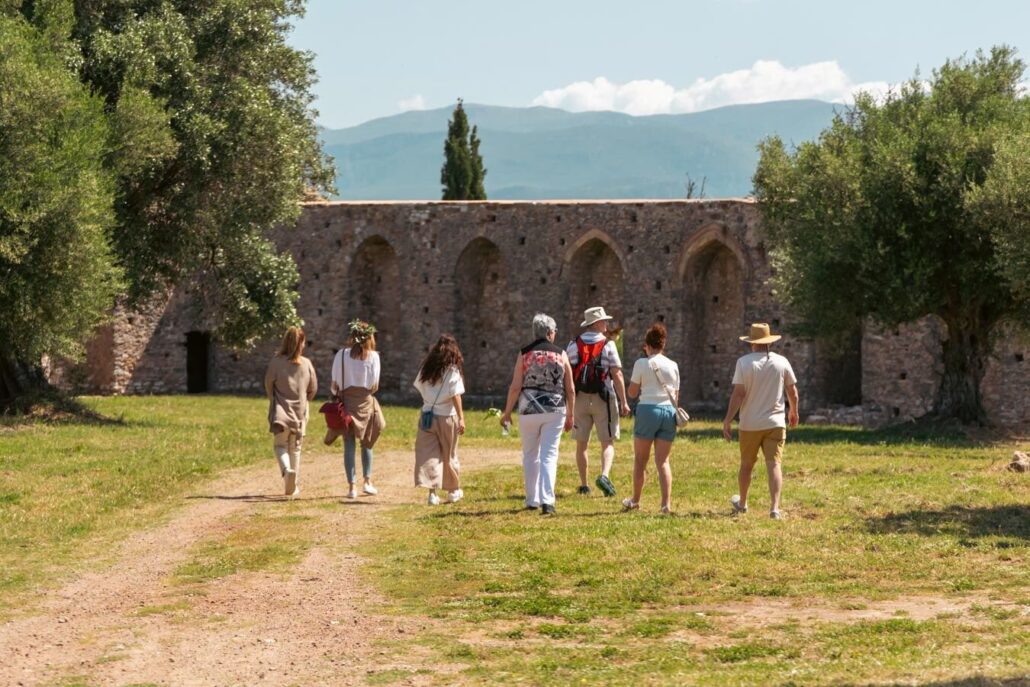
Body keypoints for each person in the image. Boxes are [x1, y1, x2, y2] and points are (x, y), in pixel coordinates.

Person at [722, 322, 799, 519]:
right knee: (774, 464)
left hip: (750, 424)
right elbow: (793, 391)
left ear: (752, 343)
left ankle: (743, 503)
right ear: (769, 342)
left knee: (747, 465)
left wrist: (728, 419)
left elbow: (738, 394)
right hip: (775, 423)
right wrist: (794, 412)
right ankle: (774, 508)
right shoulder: (782, 362)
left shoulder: (744, 363)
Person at [501, 313, 575, 516]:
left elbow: (516, 386)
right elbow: (570, 388)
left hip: (529, 410)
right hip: (555, 409)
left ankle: (532, 499)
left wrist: (507, 412)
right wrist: (571, 414)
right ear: (550, 333)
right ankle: (548, 501)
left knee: (530, 454)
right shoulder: (561, 354)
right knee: (549, 455)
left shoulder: (524, 353)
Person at [567, 306, 631, 497]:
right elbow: (616, 374)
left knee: (581, 443)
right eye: (603, 321)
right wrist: (624, 401)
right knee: (607, 441)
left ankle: (584, 484)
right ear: (596, 323)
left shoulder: (573, 345)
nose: (606, 324)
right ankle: (604, 475)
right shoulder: (608, 345)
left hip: (580, 398)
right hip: (604, 398)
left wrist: (568, 403)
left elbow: (568, 375)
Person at [623, 323, 680, 514]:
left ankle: (636, 500)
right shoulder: (673, 365)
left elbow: (632, 393)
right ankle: (665, 504)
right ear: (663, 345)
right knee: (663, 461)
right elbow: (676, 397)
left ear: (647, 345)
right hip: (668, 411)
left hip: (647, 409)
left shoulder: (641, 363)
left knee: (640, 460)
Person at [331, 319, 386, 499]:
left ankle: (351, 487)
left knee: (348, 444)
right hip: (365, 402)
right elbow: (374, 385)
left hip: (346, 402)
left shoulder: (340, 355)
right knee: (367, 442)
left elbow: (335, 384)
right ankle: (367, 482)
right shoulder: (374, 357)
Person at [413, 334, 467, 505]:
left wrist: (430, 401)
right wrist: (461, 418)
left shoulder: (426, 370)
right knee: (448, 454)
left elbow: (419, 388)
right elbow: (455, 395)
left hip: (427, 415)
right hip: (446, 417)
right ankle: (453, 490)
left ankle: (432, 493)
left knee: (428, 454)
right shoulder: (452, 371)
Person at [264, 326, 317, 497]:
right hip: (300, 414)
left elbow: (269, 385)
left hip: (280, 412)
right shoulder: (307, 364)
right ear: (300, 343)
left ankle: (287, 472)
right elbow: (313, 389)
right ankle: (293, 484)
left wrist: (274, 399)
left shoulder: (275, 362)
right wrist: (304, 400)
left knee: (280, 445)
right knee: (295, 448)